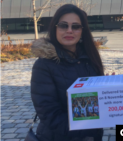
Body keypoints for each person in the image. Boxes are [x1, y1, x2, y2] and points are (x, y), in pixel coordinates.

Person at [30, 4, 104, 141]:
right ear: (55, 27)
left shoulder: (90, 58)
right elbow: (49, 114)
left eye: (75, 26)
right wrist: (88, 127)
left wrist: (110, 87)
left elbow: (95, 101)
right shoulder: (44, 65)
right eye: (64, 25)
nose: (69, 30)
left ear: (82, 31)